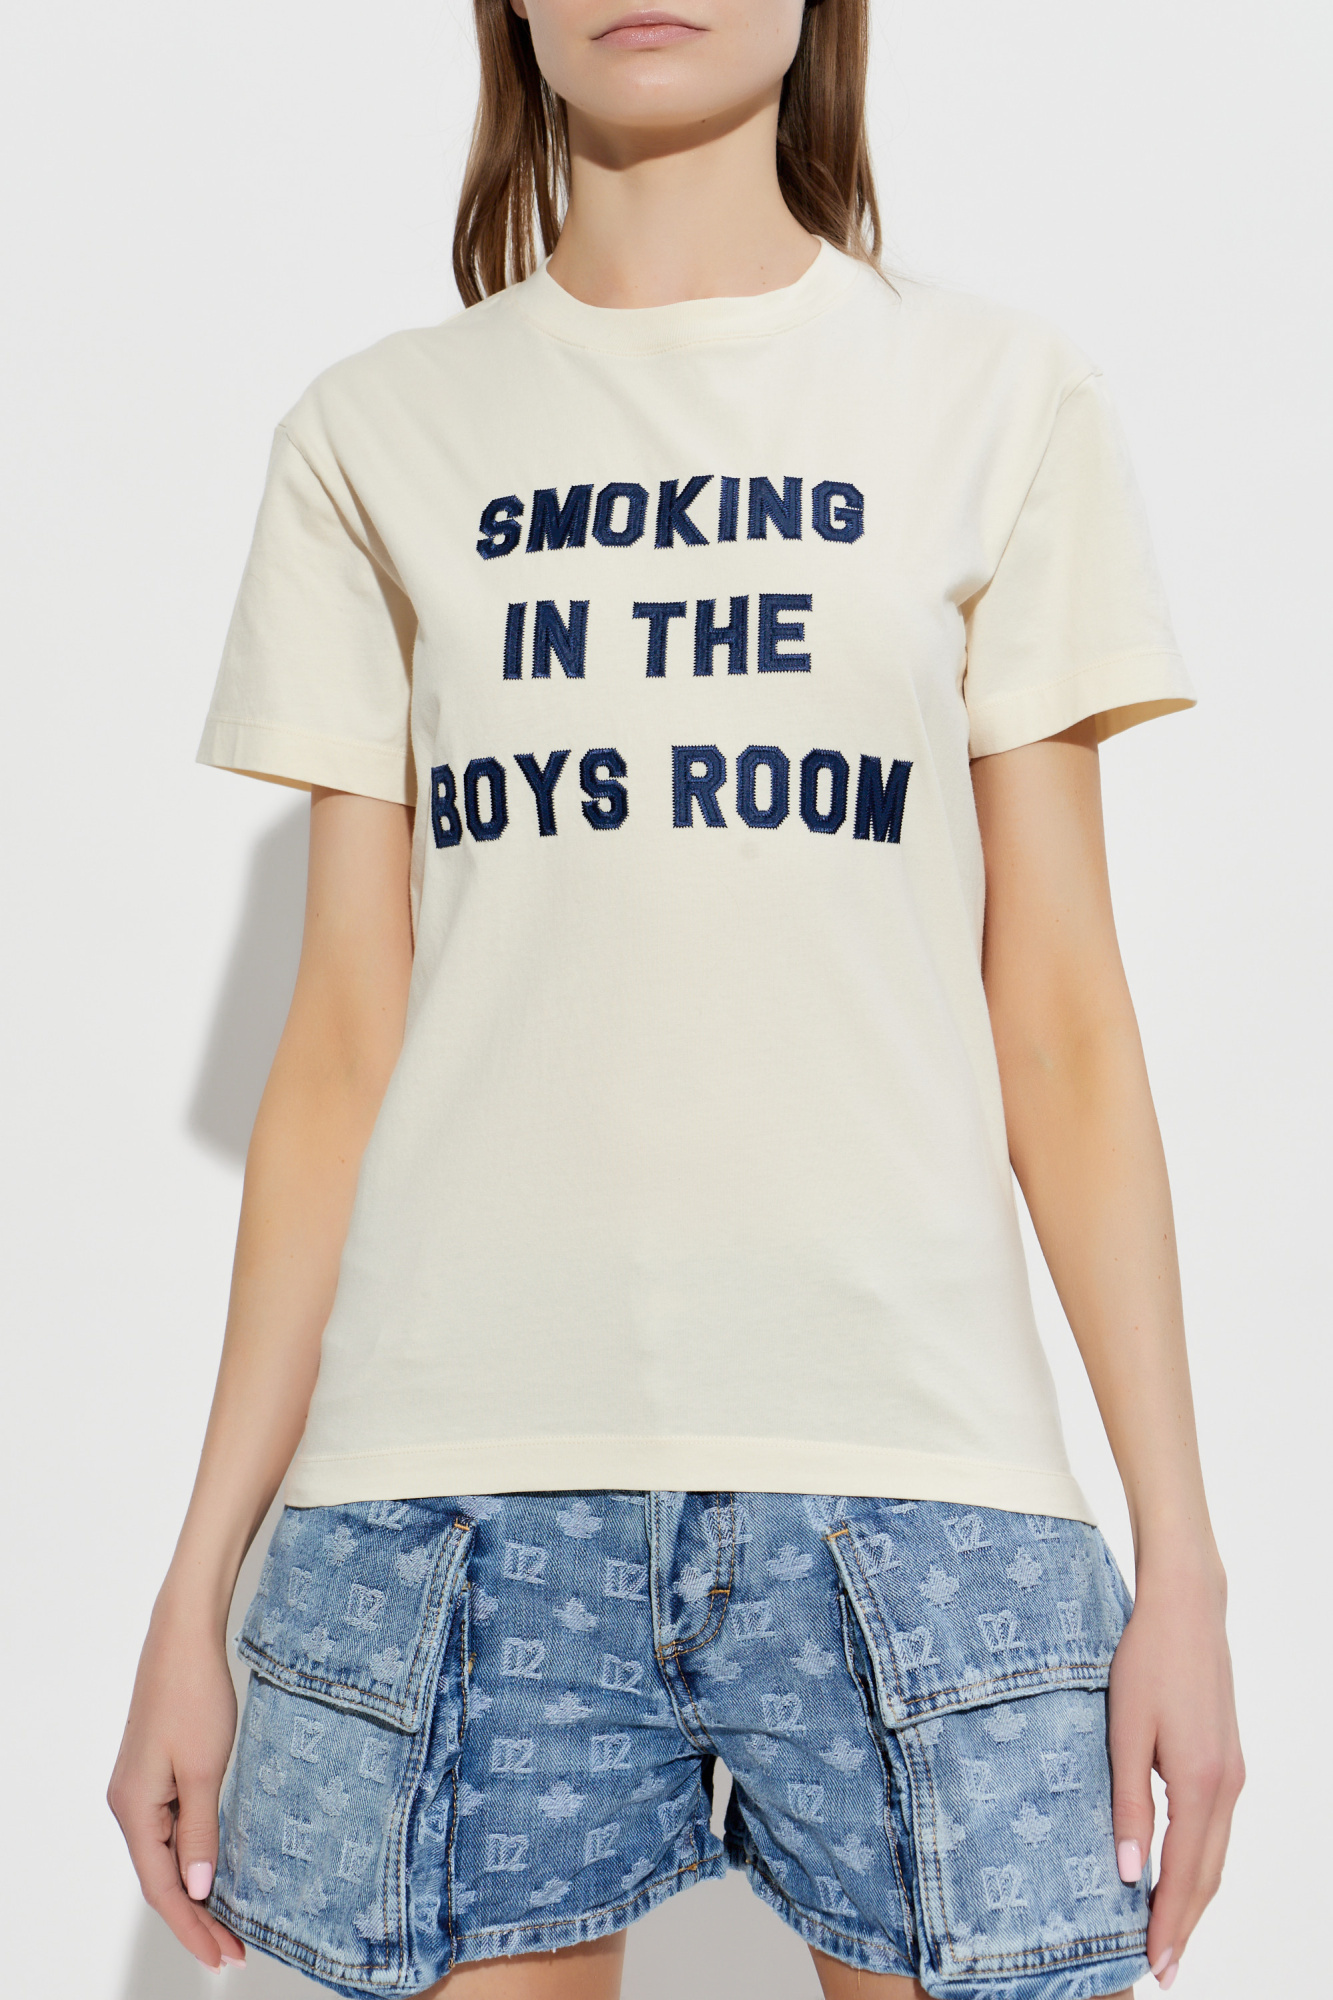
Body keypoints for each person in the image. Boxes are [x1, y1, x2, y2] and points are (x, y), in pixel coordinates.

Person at [107, 1, 1244, 1994]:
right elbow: (343, 1042)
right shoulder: (375, 435)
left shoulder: (996, 397)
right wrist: (194, 1584)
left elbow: (1061, 1014)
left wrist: (1182, 1559)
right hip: (452, 1506)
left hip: (915, 1491)